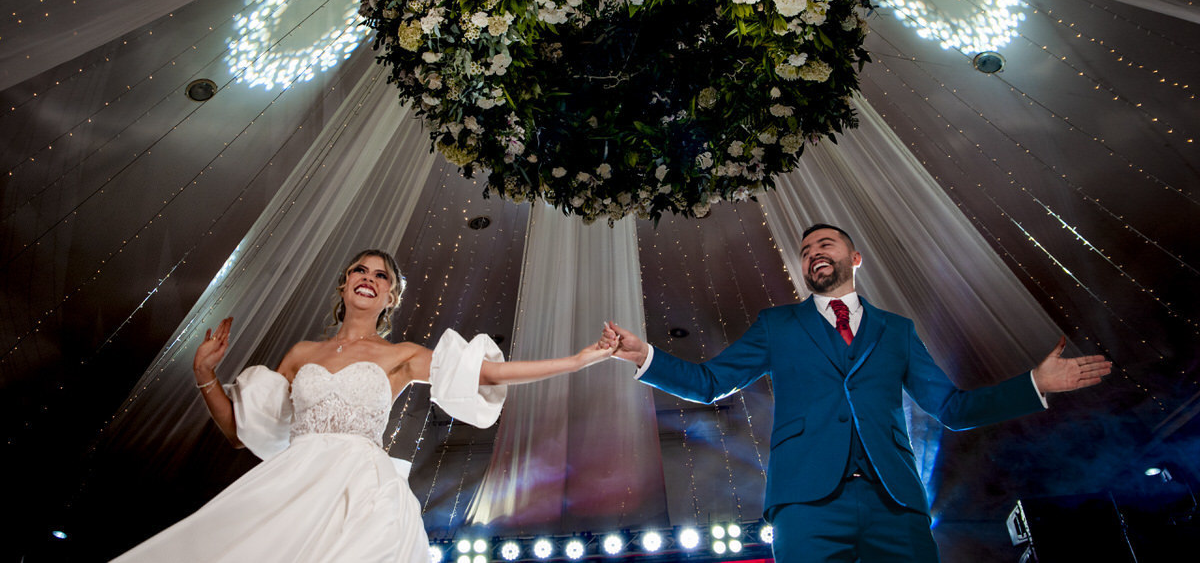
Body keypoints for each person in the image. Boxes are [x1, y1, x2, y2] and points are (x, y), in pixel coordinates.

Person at [602, 223, 1113, 563]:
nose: (814, 253)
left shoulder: (898, 331)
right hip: (806, 503)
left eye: (825, 245)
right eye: (805, 251)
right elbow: (711, 383)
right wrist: (645, 354)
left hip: (896, 502)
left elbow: (953, 410)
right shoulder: (777, 326)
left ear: (855, 257)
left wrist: (1035, 384)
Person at [113, 248, 613, 562]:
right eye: (360, 269)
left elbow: (489, 373)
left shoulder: (401, 356)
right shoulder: (301, 354)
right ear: (344, 283)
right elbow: (238, 432)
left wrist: (577, 359)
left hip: (361, 486)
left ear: (390, 296)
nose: (369, 277)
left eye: (381, 275)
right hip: (294, 481)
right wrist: (205, 374)